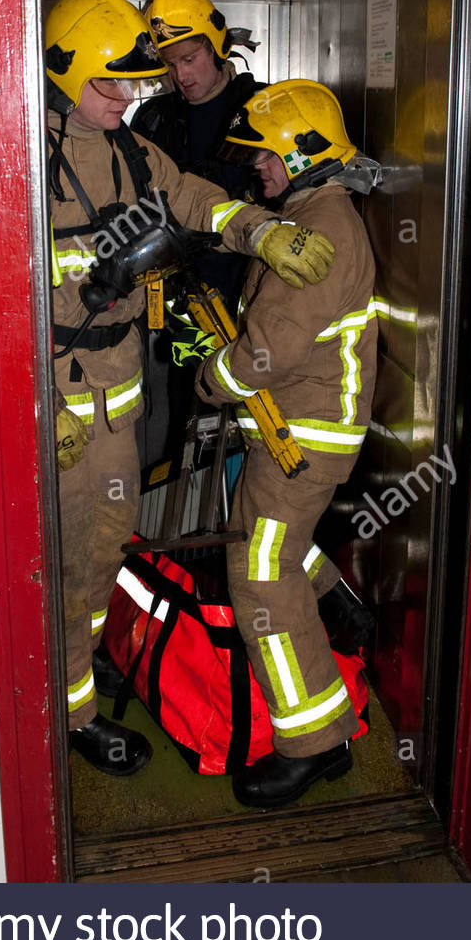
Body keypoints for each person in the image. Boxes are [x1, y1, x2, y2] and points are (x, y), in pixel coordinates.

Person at [45, 0, 337, 778]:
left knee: (102, 545)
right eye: (113, 83)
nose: (131, 96)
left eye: (138, 82)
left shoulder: (133, 149)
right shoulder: (25, 157)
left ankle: (78, 670)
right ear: (63, 73)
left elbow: (193, 197)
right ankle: (64, 717)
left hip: (118, 391)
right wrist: (37, 402)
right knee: (62, 559)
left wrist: (261, 228)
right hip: (58, 400)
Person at [194, 80, 378, 808]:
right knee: (271, 539)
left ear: (302, 153)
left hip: (300, 435)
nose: (256, 169)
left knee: (259, 573)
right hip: (298, 429)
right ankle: (338, 605)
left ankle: (315, 743)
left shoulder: (317, 230)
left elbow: (265, 353)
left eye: (265, 155)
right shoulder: (316, 211)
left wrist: (210, 376)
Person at [131, 0, 264, 301]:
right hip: (172, 301)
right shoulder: (151, 121)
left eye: (189, 59)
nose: (181, 75)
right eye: (170, 64)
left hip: (247, 295)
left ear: (217, 48)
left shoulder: (264, 110)